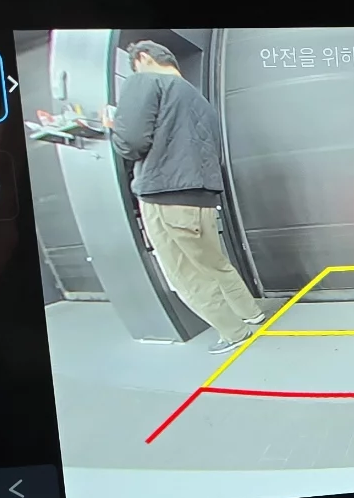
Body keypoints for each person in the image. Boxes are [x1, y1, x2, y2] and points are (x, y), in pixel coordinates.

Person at [111, 39, 266, 351]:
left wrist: (112, 128)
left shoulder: (145, 82)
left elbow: (131, 142)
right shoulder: (200, 100)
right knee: (215, 264)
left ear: (143, 58)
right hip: (203, 198)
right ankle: (252, 313)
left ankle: (234, 333)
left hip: (165, 195)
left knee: (186, 276)